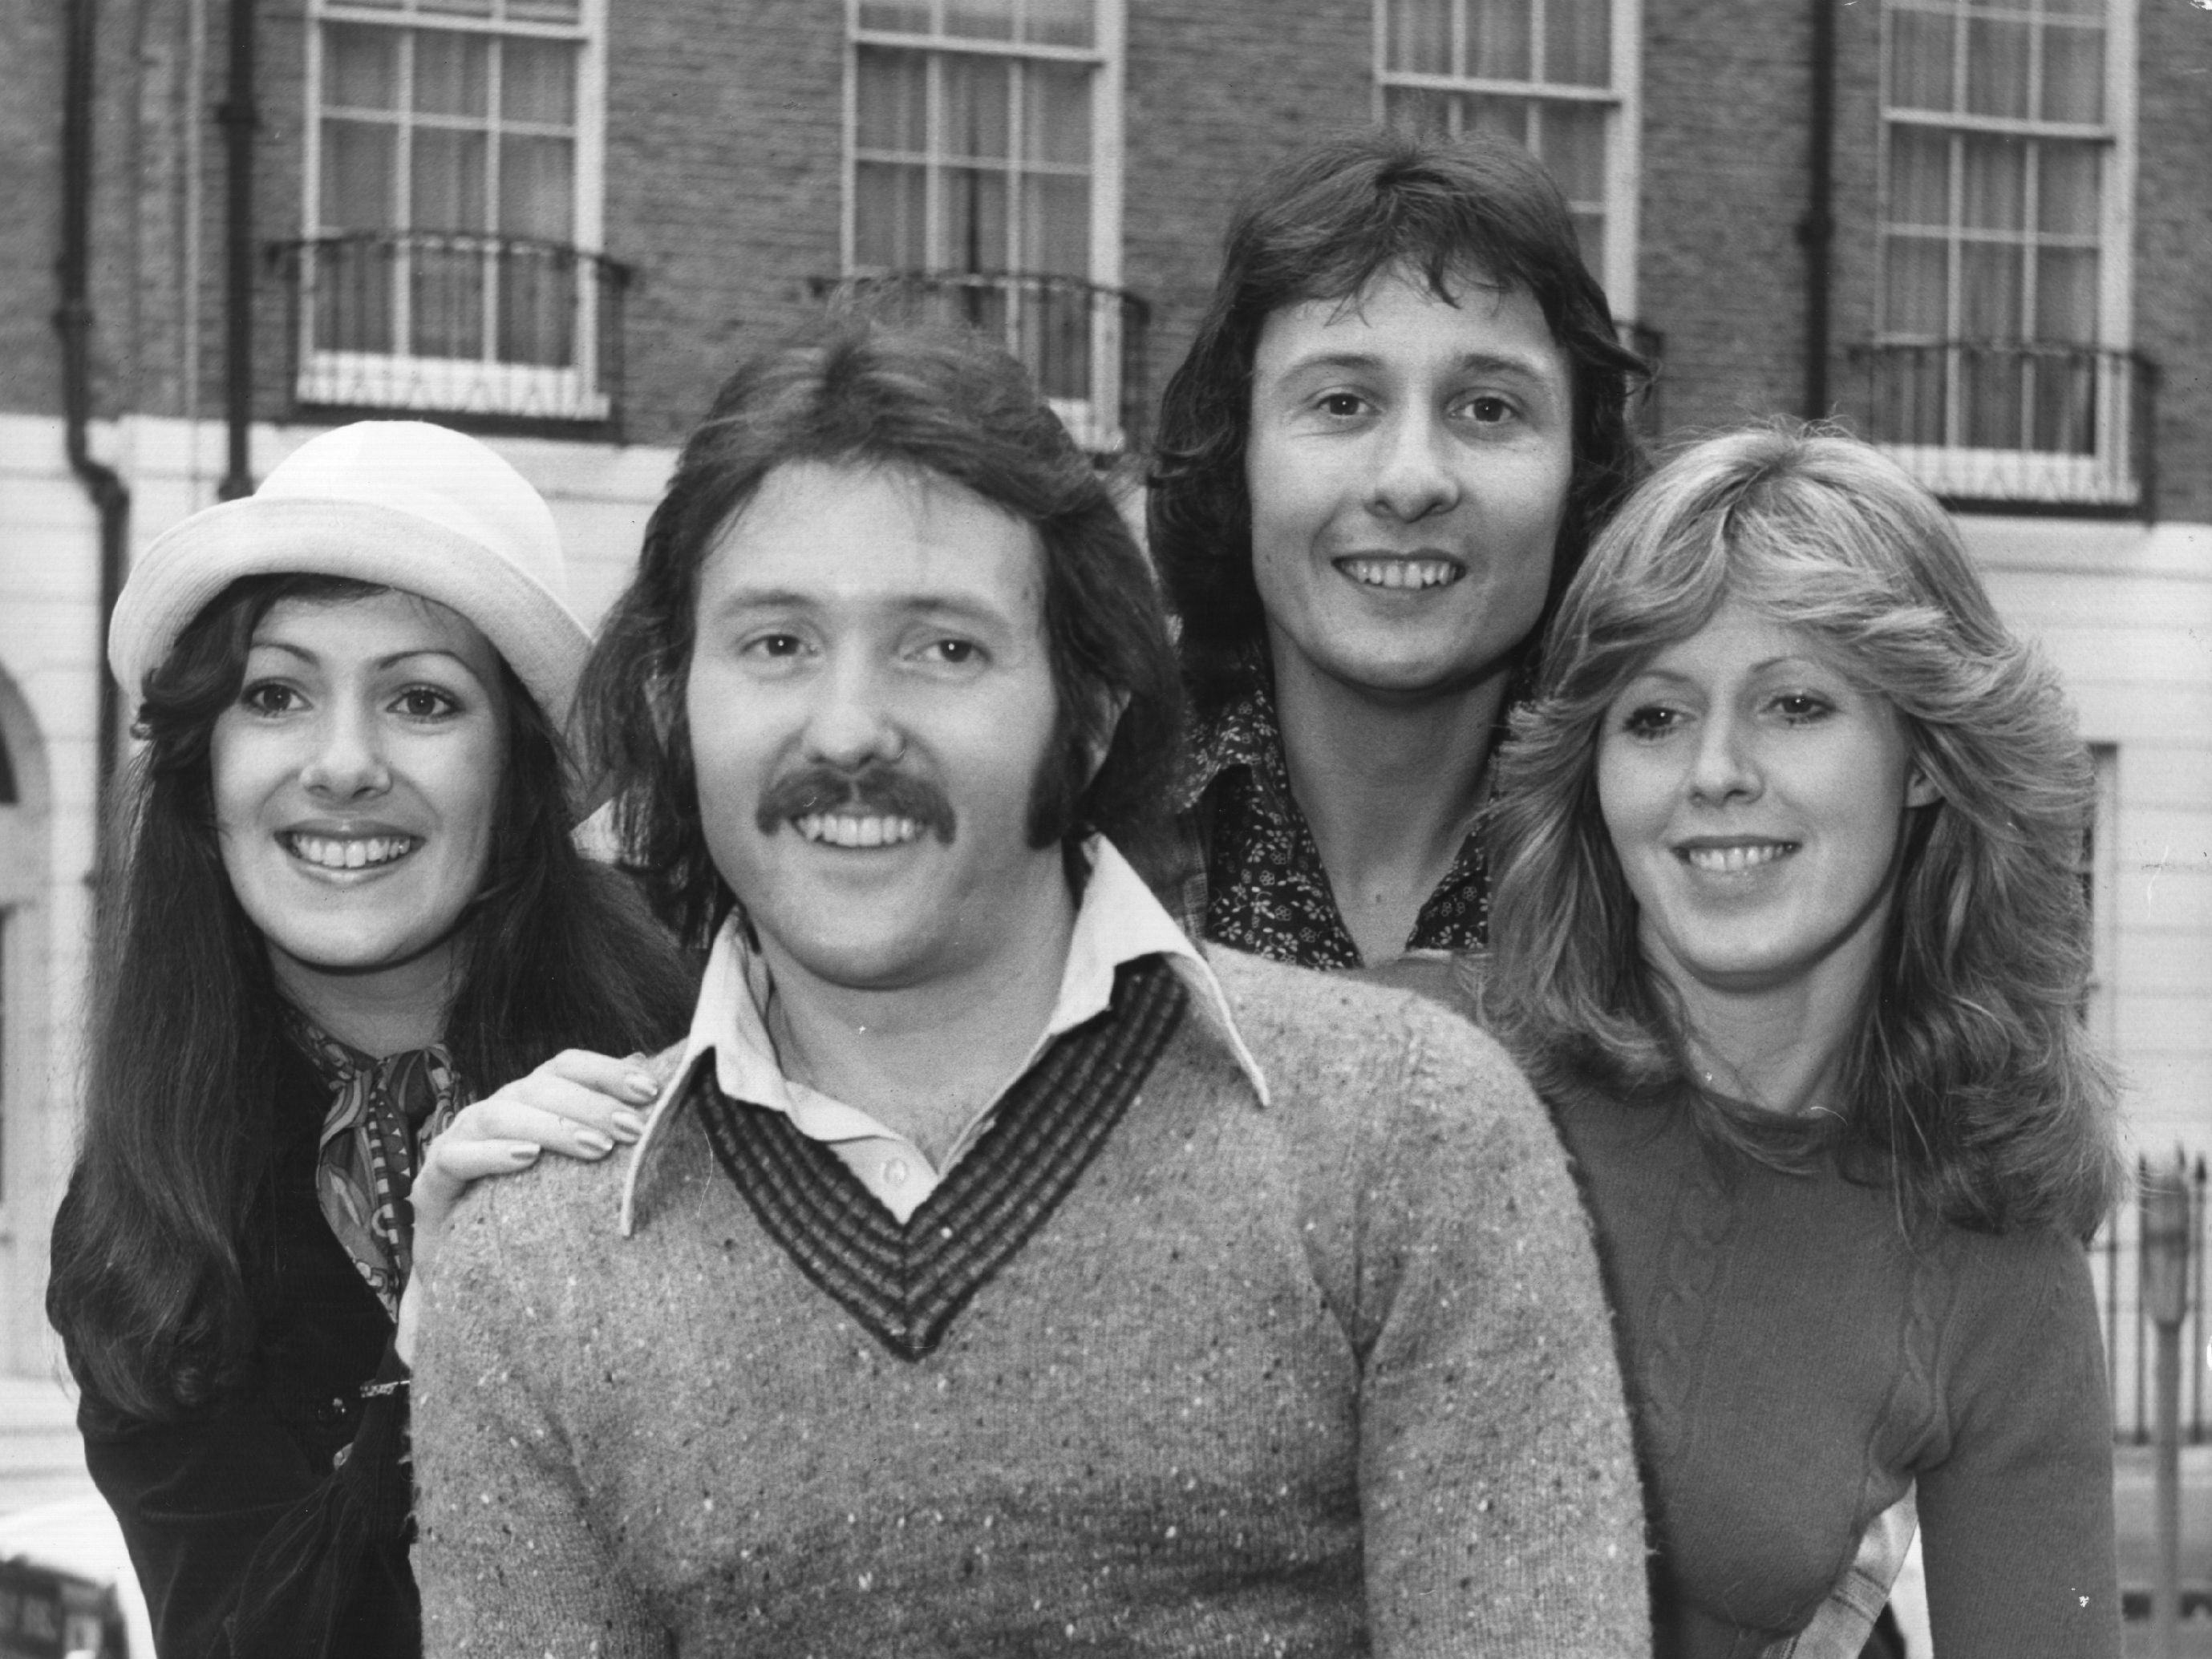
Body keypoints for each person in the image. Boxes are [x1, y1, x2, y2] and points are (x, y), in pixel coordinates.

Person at [407, 320, 1650, 1655]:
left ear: (1092, 708)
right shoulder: (536, 1264)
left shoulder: (1406, 1137)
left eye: (942, 649)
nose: (845, 728)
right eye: (775, 644)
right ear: (671, 704)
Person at [46, 421, 696, 1659]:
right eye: (276, 694)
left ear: (518, 779)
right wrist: (443, 1330)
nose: (342, 765)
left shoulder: (701, 1077)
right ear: (205, 765)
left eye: (420, 699)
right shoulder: (142, 1221)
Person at [1477, 424, 2125, 1657]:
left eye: (1792, 704)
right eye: (1654, 716)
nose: (1714, 771)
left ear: (1925, 759)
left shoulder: (1987, 1237)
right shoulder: (1433, 1072)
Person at [1143, 126, 1644, 966]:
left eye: (1487, 408)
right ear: (1238, 454)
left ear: (1577, 473)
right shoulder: (1075, 819)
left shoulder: (1665, 846)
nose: (1411, 481)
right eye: (1342, 402)